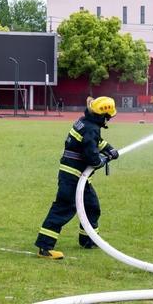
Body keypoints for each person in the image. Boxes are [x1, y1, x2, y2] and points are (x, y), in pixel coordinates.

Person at [35, 96, 120, 259]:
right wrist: (104, 159)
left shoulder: (86, 122)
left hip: (79, 177)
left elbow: (96, 142)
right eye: (108, 116)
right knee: (64, 208)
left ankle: (88, 240)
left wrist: (110, 149)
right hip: (72, 176)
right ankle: (44, 247)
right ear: (102, 116)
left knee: (91, 206)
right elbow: (92, 159)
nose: (109, 119)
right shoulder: (91, 128)